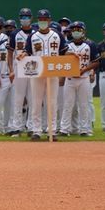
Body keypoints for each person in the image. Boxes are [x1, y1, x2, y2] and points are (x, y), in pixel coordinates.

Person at [22, 9, 67, 140]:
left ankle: (51, 131)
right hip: (36, 71)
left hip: (53, 71)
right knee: (36, 102)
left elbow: (64, 52)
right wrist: (22, 55)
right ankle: (36, 131)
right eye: (40, 19)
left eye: (45, 19)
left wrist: (73, 55)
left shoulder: (57, 35)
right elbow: (27, 52)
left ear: (49, 20)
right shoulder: (33, 36)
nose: (42, 21)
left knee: (52, 102)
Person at [59, 21, 99, 137]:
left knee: (84, 105)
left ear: (83, 31)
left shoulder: (90, 44)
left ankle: (84, 129)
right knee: (68, 105)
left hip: (84, 78)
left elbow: (96, 62)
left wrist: (84, 70)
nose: (76, 32)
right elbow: (61, 60)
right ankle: (64, 129)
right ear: (71, 32)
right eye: (74, 30)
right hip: (70, 78)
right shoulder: (67, 45)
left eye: (79, 29)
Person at [7, 8, 35, 137]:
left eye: (27, 16)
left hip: (34, 66)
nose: (25, 19)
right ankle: (16, 127)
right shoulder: (15, 33)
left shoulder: (36, 32)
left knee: (32, 98)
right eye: (22, 17)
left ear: (31, 18)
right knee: (18, 98)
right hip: (19, 66)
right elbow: (10, 52)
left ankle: (31, 126)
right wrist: (11, 70)